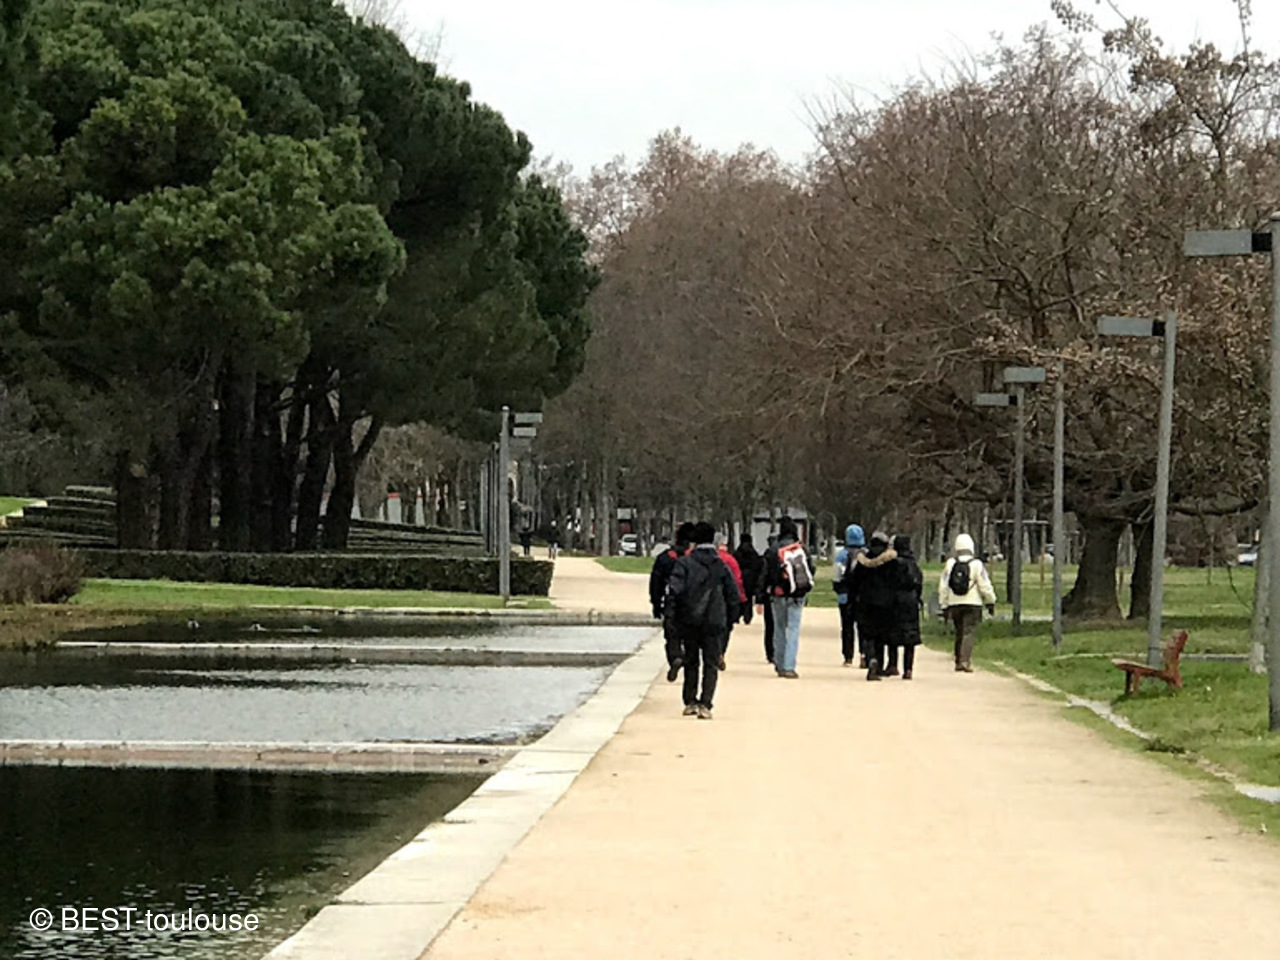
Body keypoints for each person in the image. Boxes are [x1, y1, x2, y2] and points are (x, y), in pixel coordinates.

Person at [664, 522, 741, 719]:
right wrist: (730, 620)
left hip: (689, 619)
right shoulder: (721, 566)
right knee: (711, 663)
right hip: (715, 620)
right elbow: (733, 595)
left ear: (694, 541)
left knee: (691, 661)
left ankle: (690, 700)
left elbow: (674, 592)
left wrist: (671, 618)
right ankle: (706, 703)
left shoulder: (684, 564)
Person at [759, 517, 813, 678]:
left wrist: (761, 596)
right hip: (797, 594)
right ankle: (790, 666)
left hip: (778, 593)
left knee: (779, 628)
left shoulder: (773, 550)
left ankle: (780, 663)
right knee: (793, 629)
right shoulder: (802, 549)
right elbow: (811, 570)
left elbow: (765, 574)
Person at [939, 533, 997, 672]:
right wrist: (991, 601)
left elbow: (944, 585)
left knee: (959, 631)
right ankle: (965, 660)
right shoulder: (977, 564)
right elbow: (984, 584)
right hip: (973, 603)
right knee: (969, 632)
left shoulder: (950, 564)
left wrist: (944, 604)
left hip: (954, 603)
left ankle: (958, 659)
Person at [845, 530, 899, 680]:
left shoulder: (862, 561)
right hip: (886, 604)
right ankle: (879, 664)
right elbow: (897, 583)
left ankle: (870, 658)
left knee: (868, 635)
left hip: (865, 603)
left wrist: (851, 601)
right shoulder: (891, 561)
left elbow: (853, 582)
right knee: (881, 635)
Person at [891, 534, 924, 680]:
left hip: (895, 600)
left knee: (893, 633)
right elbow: (919, 582)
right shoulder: (913, 563)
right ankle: (908, 668)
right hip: (911, 600)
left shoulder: (893, 563)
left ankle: (893, 664)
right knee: (910, 635)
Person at [833, 524, 867, 667]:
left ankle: (848, 656)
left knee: (847, 627)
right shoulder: (866, 554)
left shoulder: (841, 555)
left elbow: (837, 576)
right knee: (863, 627)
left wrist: (838, 589)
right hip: (863, 597)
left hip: (845, 596)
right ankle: (864, 654)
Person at [649, 522, 695, 620]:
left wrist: (656, 604)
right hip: (695, 608)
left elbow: (656, 583)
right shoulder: (697, 559)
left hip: (671, 606)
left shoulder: (665, 557)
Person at [716, 535, 747, 670]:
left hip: (709, 599)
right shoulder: (730, 560)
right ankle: (721, 652)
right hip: (726, 600)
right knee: (725, 629)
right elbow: (737, 580)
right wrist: (742, 598)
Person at [732, 533, 764, 627]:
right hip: (751, 579)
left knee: (739, 597)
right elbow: (758, 565)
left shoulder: (737, 553)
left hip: (740, 578)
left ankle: (738, 615)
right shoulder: (753, 553)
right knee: (749, 598)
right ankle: (748, 616)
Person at [757, 534, 778, 663]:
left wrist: (759, 598)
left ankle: (770, 653)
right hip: (785, 591)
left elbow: (762, 577)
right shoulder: (785, 552)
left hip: (769, 593)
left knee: (769, 625)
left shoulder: (768, 555)